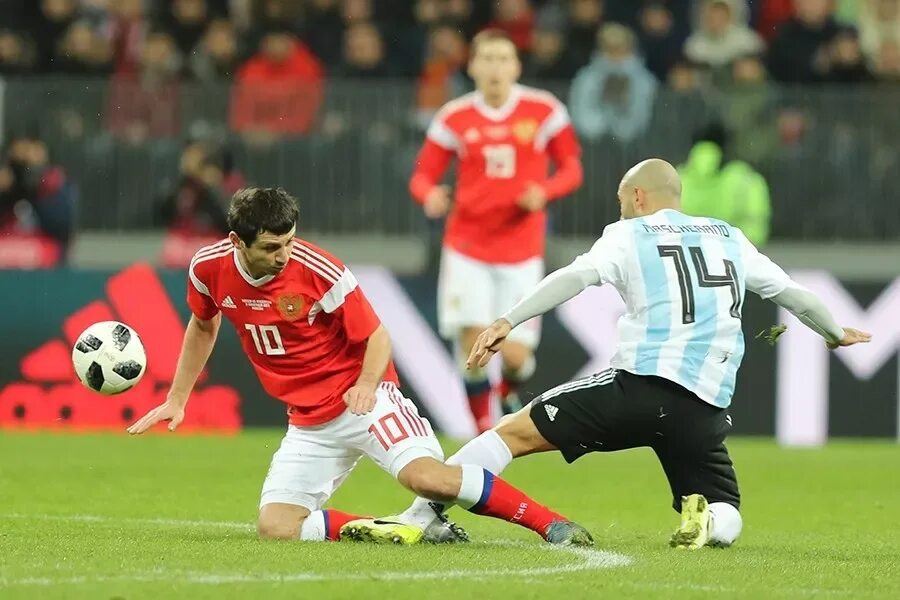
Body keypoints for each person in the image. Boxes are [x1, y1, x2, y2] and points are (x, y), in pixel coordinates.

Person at [383, 159, 871, 549]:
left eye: (621, 202)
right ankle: (708, 523)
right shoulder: (728, 236)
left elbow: (573, 278)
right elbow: (794, 296)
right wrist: (834, 333)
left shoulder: (628, 234)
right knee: (726, 508)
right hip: (703, 407)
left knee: (511, 432)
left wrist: (509, 320)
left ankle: (421, 516)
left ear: (638, 197)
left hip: (638, 388)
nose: (620, 212)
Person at [127, 187, 593, 547]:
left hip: (364, 399)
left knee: (428, 479)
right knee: (277, 526)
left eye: (288, 242)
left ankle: (551, 524)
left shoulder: (318, 269)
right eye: (270, 247)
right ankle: (403, 529)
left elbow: (377, 336)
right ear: (236, 241)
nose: (283, 255)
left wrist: (368, 385)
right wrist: (177, 398)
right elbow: (203, 324)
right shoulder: (208, 268)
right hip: (308, 421)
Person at [409, 29, 583, 432]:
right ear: (472, 66)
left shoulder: (544, 110)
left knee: (517, 357)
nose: (495, 67)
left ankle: (507, 389)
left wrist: (545, 191)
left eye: (503, 59)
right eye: (486, 58)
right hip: (467, 246)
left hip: (522, 248)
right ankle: (483, 430)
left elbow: (572, 169)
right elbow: (422, 176)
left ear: (516, 67)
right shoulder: (454, 116)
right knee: (473, 344)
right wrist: (429, 195)